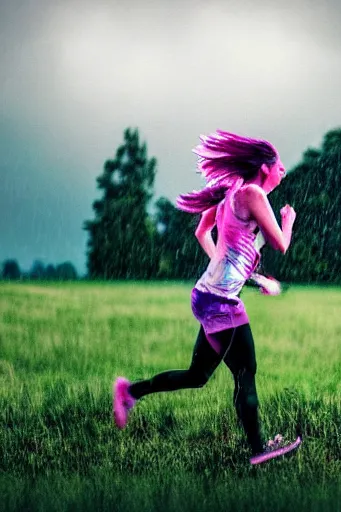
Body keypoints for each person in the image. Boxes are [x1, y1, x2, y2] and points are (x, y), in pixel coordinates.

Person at [113, 130, 301, 465]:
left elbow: (205, 233)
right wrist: (288, 222)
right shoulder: (253, 193)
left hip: (208, 296)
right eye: (279, 164)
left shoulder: (232, 193)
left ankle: (130, 392)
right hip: (220, 304)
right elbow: (281, 245)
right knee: (246, 371)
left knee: (197, 376)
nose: (283, 168)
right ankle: (259, 451)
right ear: (263, 168)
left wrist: (238, 277)